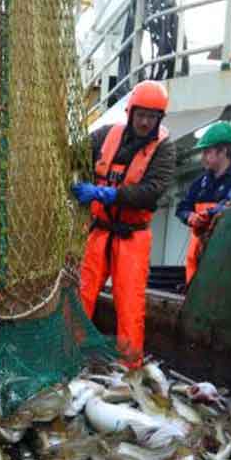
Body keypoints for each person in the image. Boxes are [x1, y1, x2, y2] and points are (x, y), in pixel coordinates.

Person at [72, 80, 176, 365]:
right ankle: (68, 354)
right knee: (81, 295)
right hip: (99, 232)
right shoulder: (106, 135)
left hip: (133, 238)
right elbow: (74, 153)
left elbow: (152, 191)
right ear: (130, 112)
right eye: (141, 115)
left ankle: (130, 368)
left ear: (159, 119)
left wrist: (106, 193)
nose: (145, 122)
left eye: (152, 117)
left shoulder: (164, 149)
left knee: (130, 306)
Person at [176, 121, 231, 286]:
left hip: (226, 257)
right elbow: (182, 208)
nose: (203, 157)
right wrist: (190, 217)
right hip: (197, 260)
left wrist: (208, 215)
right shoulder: (201, 182)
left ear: (223, 151)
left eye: (207, 152)